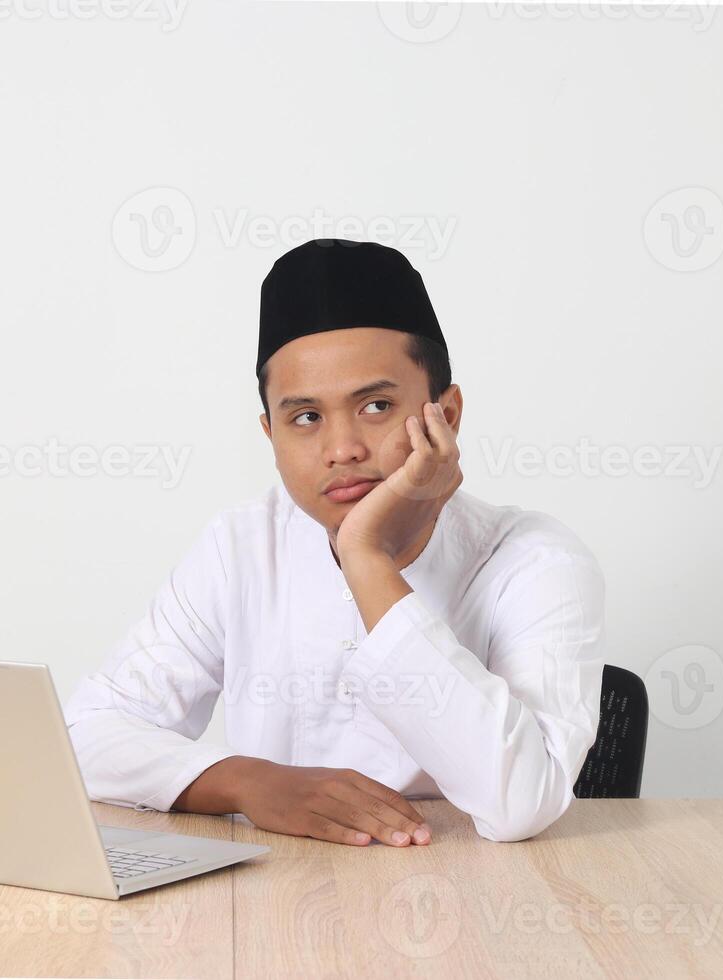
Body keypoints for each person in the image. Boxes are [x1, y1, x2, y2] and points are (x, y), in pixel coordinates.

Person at [62, 238, 605, 847]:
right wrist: (247, 782)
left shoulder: (534, 560)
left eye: (375, 406)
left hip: (471, 897)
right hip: (273, 897)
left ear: (445, 415)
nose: (341, 448)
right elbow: (84, 735)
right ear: (269, 433)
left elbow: (522, 803)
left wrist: (366, 557)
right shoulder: (241, 547)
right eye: (306, 418)